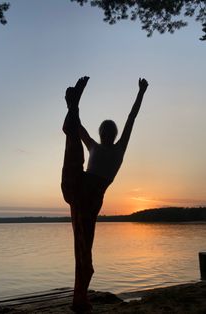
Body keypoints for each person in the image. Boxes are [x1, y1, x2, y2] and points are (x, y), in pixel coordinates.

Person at [61, 76, 148, 313]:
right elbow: (80, 131)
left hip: (87, 200)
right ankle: (73, 106)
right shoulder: (94, 146)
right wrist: (72, 112)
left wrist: (141, 93)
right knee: (74, 144)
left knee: (83, 248)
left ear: (112, 133)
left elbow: (131, 119)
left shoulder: (119, 147)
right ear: (101, 133)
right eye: (104, 130)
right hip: (79, 187)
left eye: (109, 131)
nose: (106, 133)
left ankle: (79, 299)